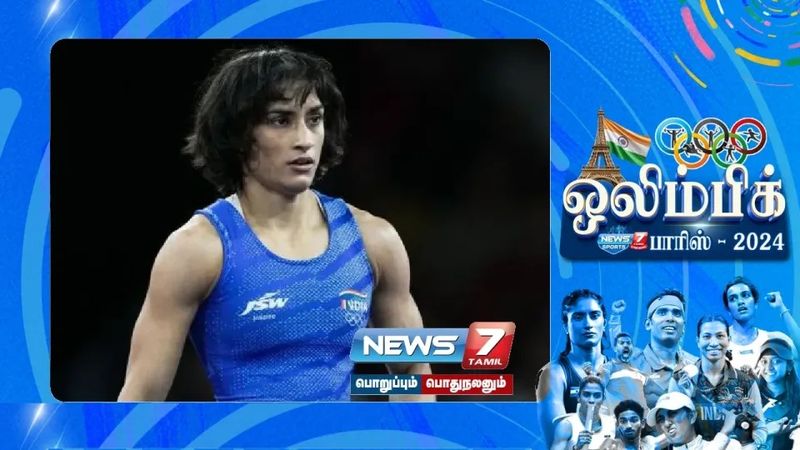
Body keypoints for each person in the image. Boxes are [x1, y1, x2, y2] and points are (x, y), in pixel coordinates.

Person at [117, 47, 431, 401]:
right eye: (281, 120)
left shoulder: (373, 239)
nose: (305, 140)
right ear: (237, 134)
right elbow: (139, 399)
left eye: (314, 119)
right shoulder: (199, 249)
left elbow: (412, 370)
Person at [671, 315, 767, 446]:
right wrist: (687, 398)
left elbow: (760, 429)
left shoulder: (746, 383)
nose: (714, 342)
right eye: (707, 336)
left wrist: (745, 446)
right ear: (698, 341)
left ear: (729, 340)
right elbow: (673, 430)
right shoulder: (680, 381)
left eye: (720, 336)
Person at [538, 289, 609, 446]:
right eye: (578, 317)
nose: (588, 324)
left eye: (594, 315)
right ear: (566, 325)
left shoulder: (618, 372)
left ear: (604, 323)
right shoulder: (554, 374)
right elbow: (557, 443)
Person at [628, 289, 698, 409]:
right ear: (648, 324)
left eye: (677, 313)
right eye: (662, 312)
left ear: (684, 327)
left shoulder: (696, 365)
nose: (670, 318)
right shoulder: (630, 366)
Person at [722, 276, 800, 372]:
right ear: (728, 310)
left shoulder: (772, 340)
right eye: (733, 298)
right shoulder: (719, 343)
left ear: (755, 304)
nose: (740, 302)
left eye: (745, 295)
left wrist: (781, 307)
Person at [646, 391, 737, 450]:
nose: (666, 423)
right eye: (661, 419)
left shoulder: (730, 446)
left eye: (672, 413)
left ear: (692, 416)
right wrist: (723, 434)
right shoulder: (721, 442)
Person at [756, 337, 800, 450]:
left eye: (776, 361)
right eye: (764, 361)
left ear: (789, 366)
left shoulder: (797, 400)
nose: (769, 367)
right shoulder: (748, 397)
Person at [551, 376, 616, 450]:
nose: (591, 400)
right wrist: (576, 448)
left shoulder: (612, 423)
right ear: (578, 397)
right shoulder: (566, 425)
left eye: (597, 395)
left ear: (603, 399)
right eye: (586, 395)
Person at [602, 333, 648, 415]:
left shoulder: (640, 371)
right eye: (622, 343)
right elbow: (598, 388)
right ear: (615, 348)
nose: (626, 345)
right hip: (617, 418)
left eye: (629, 343)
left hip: (639, 419)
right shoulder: (607, 368)